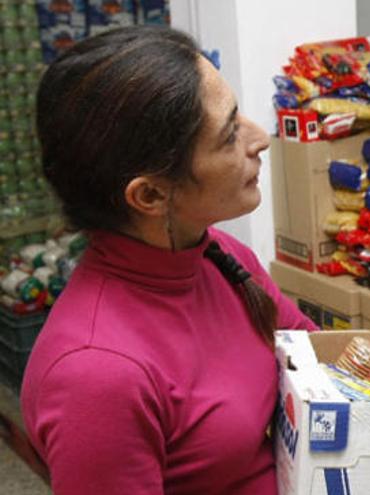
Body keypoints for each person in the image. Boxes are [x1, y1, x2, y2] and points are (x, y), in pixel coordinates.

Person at [20, 26, 319, 494]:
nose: (259, 139)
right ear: (151, 194)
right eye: (228, 136)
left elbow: (313, 353)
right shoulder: (97, 375)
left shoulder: (217, 255)